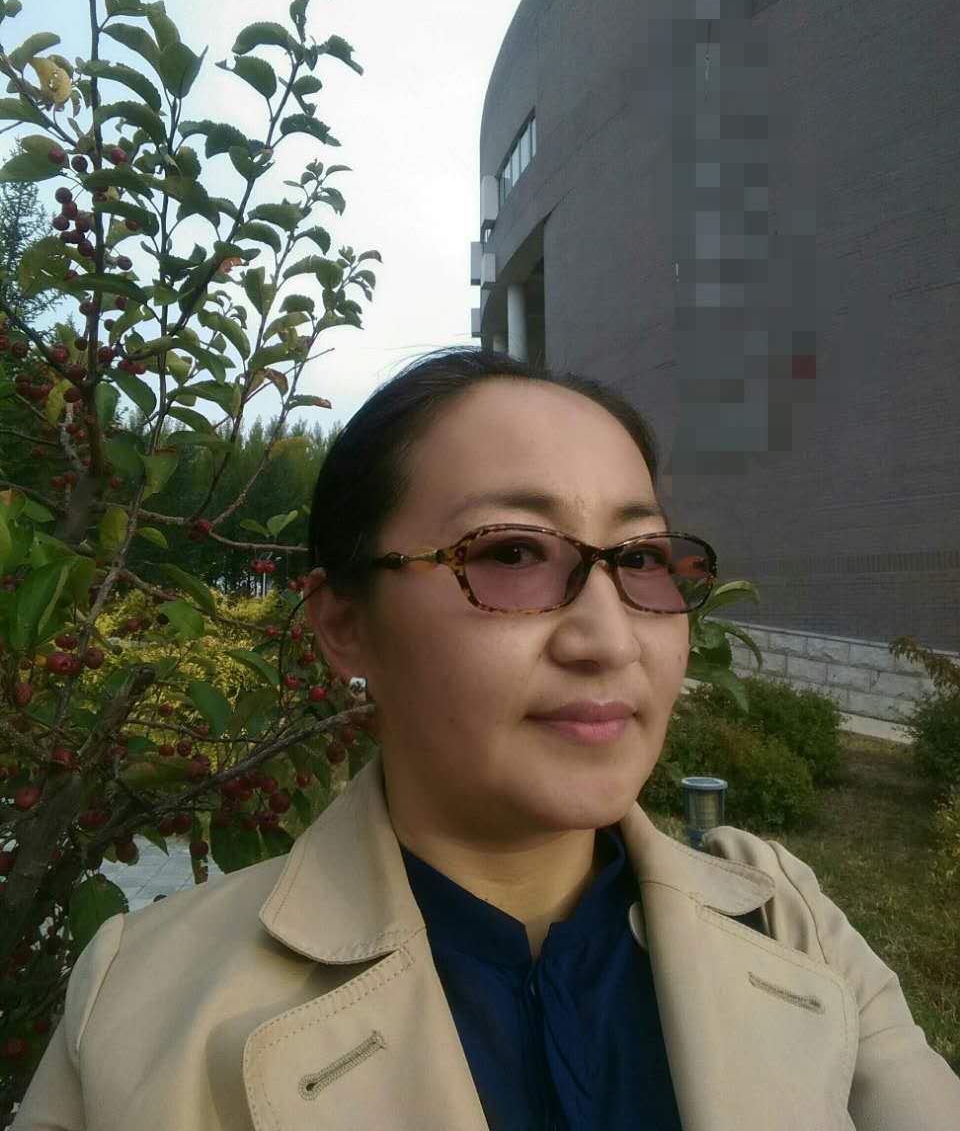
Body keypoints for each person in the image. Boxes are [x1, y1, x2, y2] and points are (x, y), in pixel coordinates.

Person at [13, 346, 960, 1130]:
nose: (608, 640)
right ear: (345, 623)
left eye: (640, 558)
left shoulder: (791, 922)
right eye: (510, 553)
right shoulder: (142, 1004)